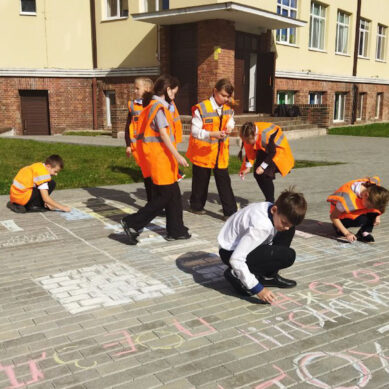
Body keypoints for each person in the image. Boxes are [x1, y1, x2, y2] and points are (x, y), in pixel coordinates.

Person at [121, 75, 190, 245]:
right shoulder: (158, 108)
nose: (174, 96)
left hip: (161, 158)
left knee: (173, 194)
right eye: (174, 93)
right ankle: (132, 223)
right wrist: (177, 155)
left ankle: (176, 230)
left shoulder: (153, 105)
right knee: (165, 196)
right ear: (167, 90)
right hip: (161, 159)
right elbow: (164, 135)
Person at [218, 188, 307, 303]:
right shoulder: (261, 226)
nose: (286, 227)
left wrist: (285, 226)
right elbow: (236, 259)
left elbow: (274, 233)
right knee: (288, 256)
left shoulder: (270, 207)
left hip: (237, 246)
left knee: (288, 230)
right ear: (274, 210)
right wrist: (257, 289)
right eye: (284, 223)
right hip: (230, 253)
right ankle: (235, 274)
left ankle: (268, 276)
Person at [186, 78, 237, 219]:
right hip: (203, 152)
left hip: (220, 154)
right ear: (215, 91)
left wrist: (229, 127)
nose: (226, 99)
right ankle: (196, 206)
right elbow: (195, 131)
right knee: (200, 182)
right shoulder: (201, 108)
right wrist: (211, 134)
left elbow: (231, 120)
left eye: (228, 96)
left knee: (224, 183)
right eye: (223, 95)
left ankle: (230, 212)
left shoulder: (228, 108)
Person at [239, 122, 294, 203]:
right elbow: (249, 152)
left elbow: (272, 152)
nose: (246, 143)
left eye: (248, 141)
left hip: (278, 151)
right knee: (257, 174)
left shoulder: (266, 135)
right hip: (264, 149)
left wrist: (262, 167)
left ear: (255, 135)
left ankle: (270, 201)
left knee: (265, 174)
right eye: (245, 141)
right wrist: (247, 168)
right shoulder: (247, 134)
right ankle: (269, 200)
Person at [327, 176, 389, 243]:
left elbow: (377, 208)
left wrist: (377, 216)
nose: (369, 208)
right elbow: (333, 217)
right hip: (341, 216)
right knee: (362, 220)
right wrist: (347, 233)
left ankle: (364, 232)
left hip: (356, 209)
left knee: (375, 212)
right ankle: (339, 228)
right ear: (366, 195)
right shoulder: (346, 199)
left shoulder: (374, 189)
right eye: (368, 205)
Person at [125, 77, 154, 201]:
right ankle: (152, 201)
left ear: (147, 89)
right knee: (147, 175)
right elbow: (128, 126)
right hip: (138, 147)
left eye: (138, 88)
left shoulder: (154, 104)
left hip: (153, 147)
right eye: (134, 88)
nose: (135, 91)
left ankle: (158, 202)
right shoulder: (132, 105)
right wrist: (128, 144)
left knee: (155, 175)